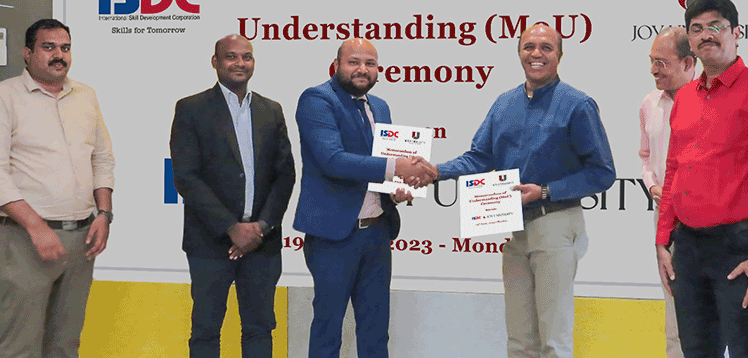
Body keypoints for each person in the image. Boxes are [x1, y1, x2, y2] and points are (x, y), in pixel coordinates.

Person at [416, 24, 615, 358]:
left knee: (554, 341)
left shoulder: (578, 104)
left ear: (560, 55)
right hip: (515, 227)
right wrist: (436, 171)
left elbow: (602, 173)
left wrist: (546, 191)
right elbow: (480, 157)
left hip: (555, 224)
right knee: (520, 341)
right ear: (519, 52)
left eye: (546, 47)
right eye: (528, 46)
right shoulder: (504, 103)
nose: (536, 54)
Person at [656, 0, 748, 358]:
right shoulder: (685, 98)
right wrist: (663, 241)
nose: (706, 34)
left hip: (741, 248)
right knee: (696, 351)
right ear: (690, 40)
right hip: (688, 248)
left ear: (736, 33)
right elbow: (674, 170)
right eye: (697, 28)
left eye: (716, 25)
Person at [293, 38, 429, 358]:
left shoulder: (380, 106)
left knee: (376, 330)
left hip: (377, 232)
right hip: (334, 236)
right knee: (328, 330)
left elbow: (380, 165)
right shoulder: (317, 99)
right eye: (353, 62)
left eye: (370, 63)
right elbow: (333, 160)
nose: (362, 69)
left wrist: (396, 187)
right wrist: (395, 167)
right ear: (336, 65)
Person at [169, 34, 295, 358]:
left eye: (247, 57)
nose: (240, 63)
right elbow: (186, 177)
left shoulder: (271, 110)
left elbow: (285, 175)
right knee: (206, 332)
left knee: (259, 330)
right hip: (209, 243)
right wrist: (231, 227)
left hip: (262, 243)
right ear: (215, 62)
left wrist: (260, 228)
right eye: (231, 56)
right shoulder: (191, 109)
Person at [0, 19, 115, 358]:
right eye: (48, 47)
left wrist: (104, 214)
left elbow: (102, 158)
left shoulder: (86, 96)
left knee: (65, 345)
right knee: (19, 346)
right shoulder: (6, 96)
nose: (59, 55)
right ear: (27, 53)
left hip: (82, 240)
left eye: (65, 48)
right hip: (25, 240)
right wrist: (36, 227)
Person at [638, 27, 697, 358]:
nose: (653, 70)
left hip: (709, 222)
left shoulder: (712, 102)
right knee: (673, 306)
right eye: (651, 61)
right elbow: (645, 157)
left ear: (688, 63)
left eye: (661, 62)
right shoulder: (649, 103)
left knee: (709, 309)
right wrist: (652, 186)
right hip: (666, 220)